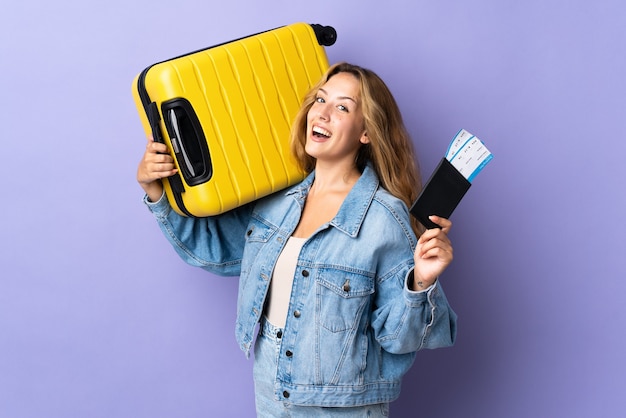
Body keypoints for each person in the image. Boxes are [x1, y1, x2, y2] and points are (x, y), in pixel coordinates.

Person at [136, 62, 457, 417]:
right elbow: (214, 251)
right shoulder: (276, 201)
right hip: (271, 386)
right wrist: (156, 192)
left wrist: (421, 281)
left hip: (341, 406)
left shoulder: (384, 217)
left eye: (343, 107)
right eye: (320, 99)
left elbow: (401, 339)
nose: (323, 113)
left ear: (366, 132)